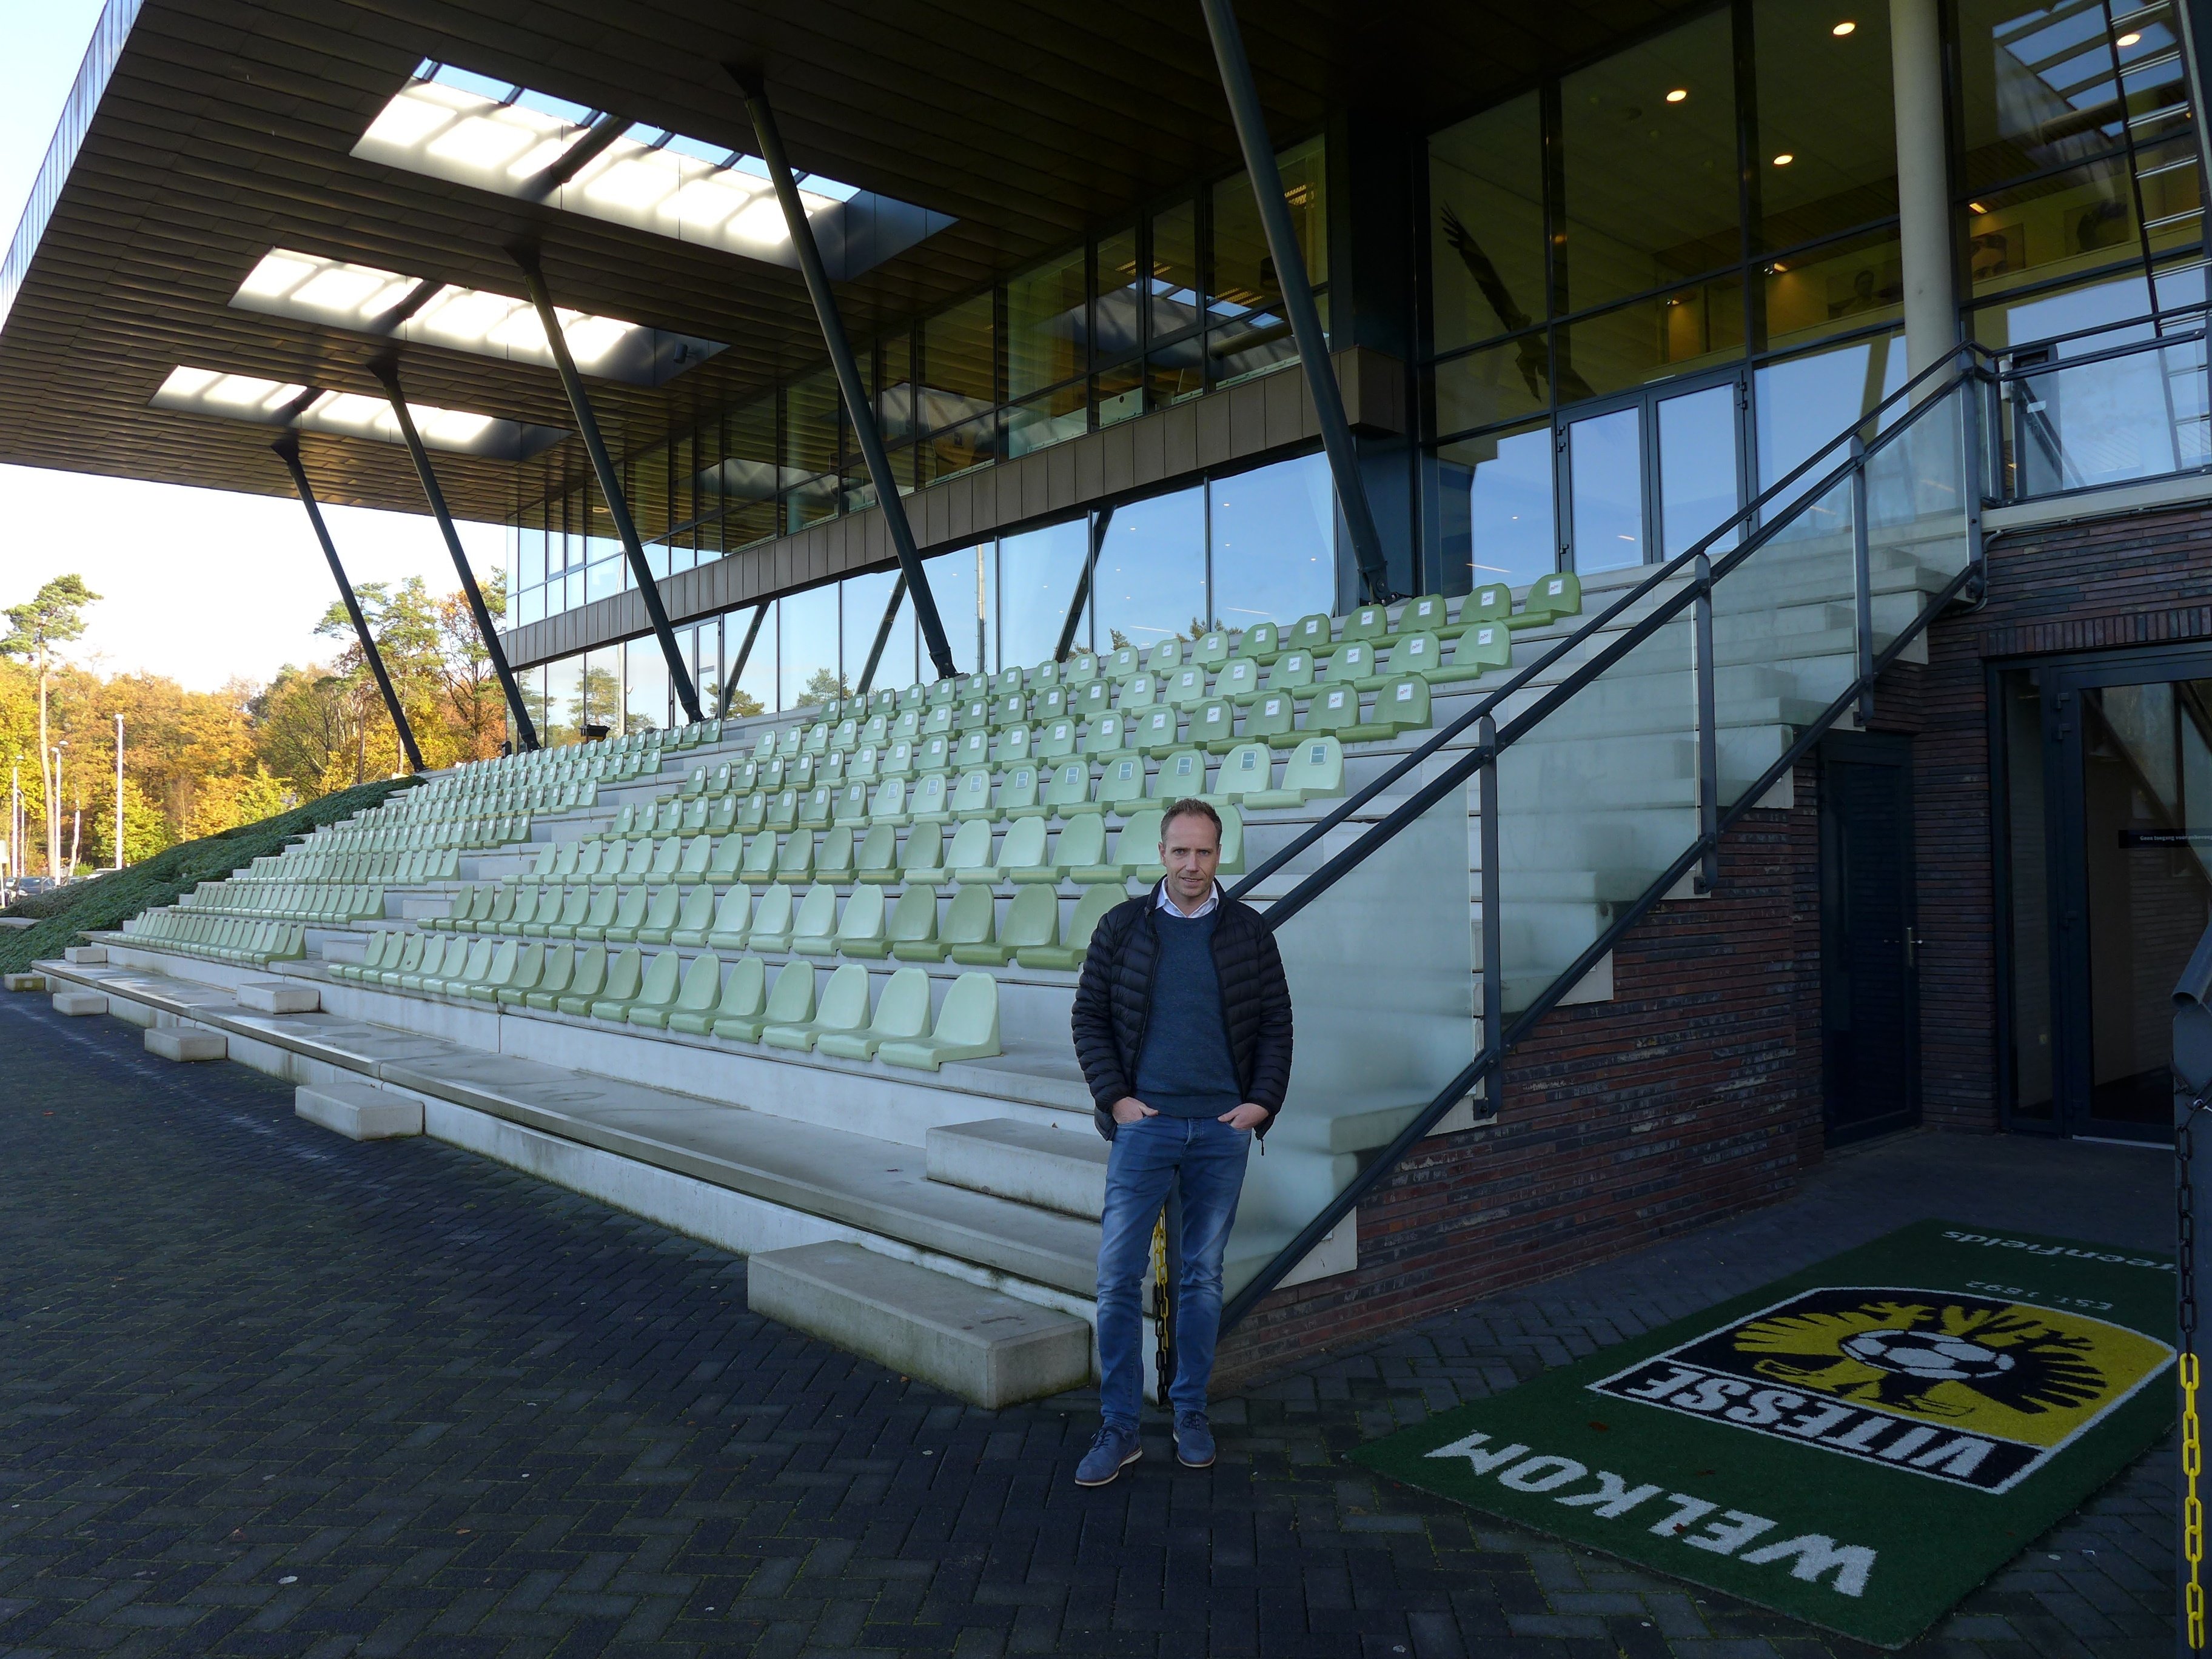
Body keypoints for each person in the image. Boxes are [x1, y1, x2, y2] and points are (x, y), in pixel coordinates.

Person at [1068, 797, 1293, 1485]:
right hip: (1146, 1128)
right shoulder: (1121, 927)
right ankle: (1119, 1426)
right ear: (1161, 853)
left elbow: (1276, 1024)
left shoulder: (1249, 931)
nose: (1192, 865)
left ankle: (1190, 1411)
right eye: (1180, 851)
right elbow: (1089, 1017)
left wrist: (1261, 1103)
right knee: (1116, 1277)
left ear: (1219, 855)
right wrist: (1117, 1100)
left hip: (1221, 1132)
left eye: (1205, 852)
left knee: (1202, 1277)